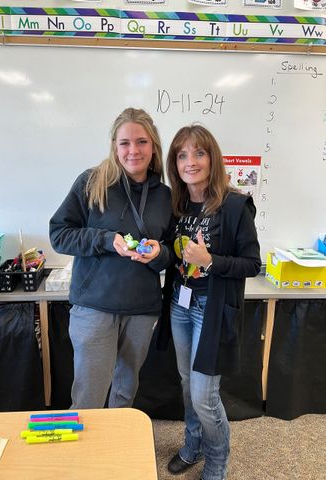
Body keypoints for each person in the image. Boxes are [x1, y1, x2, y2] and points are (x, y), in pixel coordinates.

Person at [49, 107, 174, 409]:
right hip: (95, 307)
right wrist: (105, 239)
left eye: (142, 142)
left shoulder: (165, 195)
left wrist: (159, 255)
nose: (134, 151)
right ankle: (83, 456)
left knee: (125, 391)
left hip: (141, 310)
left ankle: (115, 452)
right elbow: (59, 234)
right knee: (89, 396)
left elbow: (172, 251)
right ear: (114, 146)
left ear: (154, 145)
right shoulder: (92, 183)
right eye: (125, 143)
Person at [164, 125, 261, 480]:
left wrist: (211, 262)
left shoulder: (235, 205)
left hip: (213, 310)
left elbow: (252, 263)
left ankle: (217, 460)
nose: (191, 162)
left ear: (212, 157)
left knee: (205, 395)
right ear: (175, 163)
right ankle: (194, 445)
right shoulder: (175, 204)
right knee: (188, 385)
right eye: (182, 155)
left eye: (199, 153)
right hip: (179, 305)